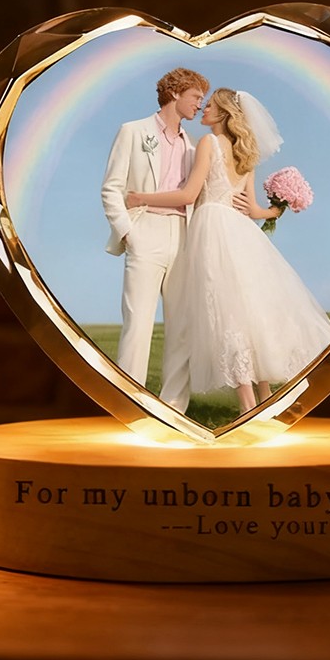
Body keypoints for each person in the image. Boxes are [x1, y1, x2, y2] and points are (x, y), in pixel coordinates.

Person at [126, 88, 330, 416]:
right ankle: (265, 399)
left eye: (209, 105)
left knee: (226, 314)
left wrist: (140, 198)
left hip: (213, 228)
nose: (204, 109)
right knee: (250, 310)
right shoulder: (246, 155)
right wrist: (277, 209)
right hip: (241, 231)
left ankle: (248, 407)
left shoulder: (209, 143)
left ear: (224, 113)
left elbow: (189, 195)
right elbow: (254, 210)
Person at [101, 67, 210, 412]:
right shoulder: (133, 131)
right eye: (196, 96)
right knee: (138, 323)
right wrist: (129, 233)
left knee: (182, 327)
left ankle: (174, 409)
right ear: (175, 93)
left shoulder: (194, 146)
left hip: (183, 236)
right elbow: (112, 188)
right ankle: (129, 407)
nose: (200, 104)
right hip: (144, 231)